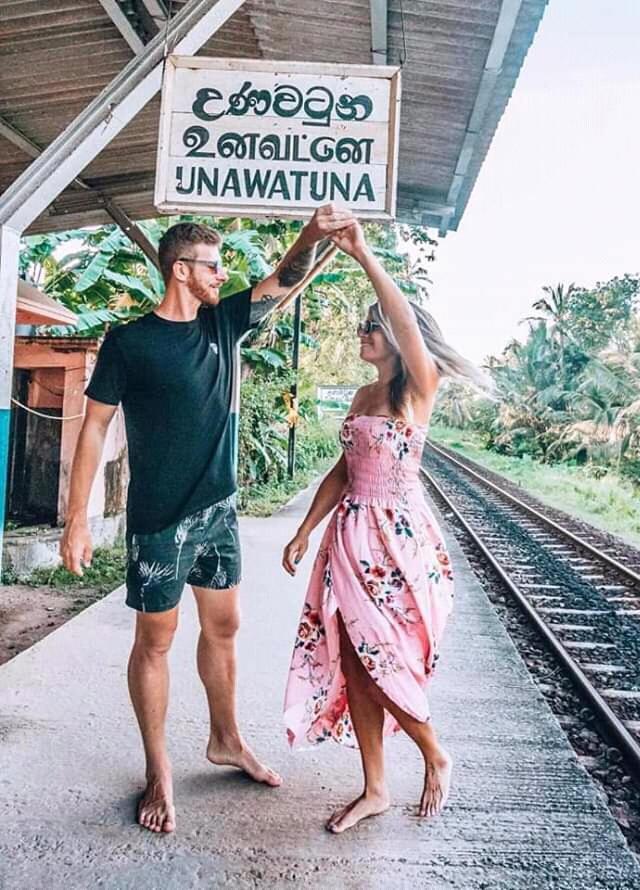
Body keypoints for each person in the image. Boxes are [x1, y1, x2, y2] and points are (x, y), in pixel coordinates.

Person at [60, 204, 356, 834]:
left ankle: (225, 739)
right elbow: (93, 429)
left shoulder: (223, 325)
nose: (223, 276)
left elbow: (285, 277)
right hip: (159, 521)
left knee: (225, 627)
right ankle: (158, 768)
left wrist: (311, 233)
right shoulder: (130, 341)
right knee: (156, 642)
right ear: (181, 270)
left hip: (218, 512)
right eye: (213, 267)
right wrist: (76, 519)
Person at [282, 219, 476, 833]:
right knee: (355, 662)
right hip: (350, 536)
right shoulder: (364, 397)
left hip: (399, 541)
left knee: (386, 655)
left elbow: (409, 323)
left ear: (394, 336)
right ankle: (375, 788)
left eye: (370, 326)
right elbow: (344, 469)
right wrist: (306, 527)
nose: (360, 332)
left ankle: (433, 750)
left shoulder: (418, 388)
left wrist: (363, 253)